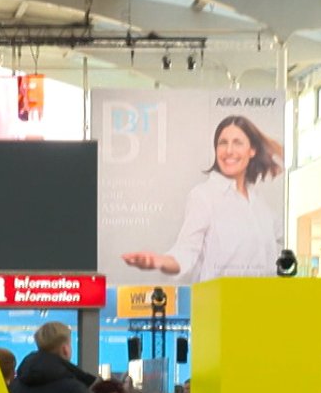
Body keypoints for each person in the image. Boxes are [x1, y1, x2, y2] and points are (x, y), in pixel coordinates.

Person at [119, 114, 285, 284]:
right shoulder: (204, 197)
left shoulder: (261, 205)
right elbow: (186, 251)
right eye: (222, 143)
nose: (229, 150)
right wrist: (160, 261)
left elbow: (283, 250)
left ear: (252, 150)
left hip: (264, 304)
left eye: (237, 143)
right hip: (220, 306)